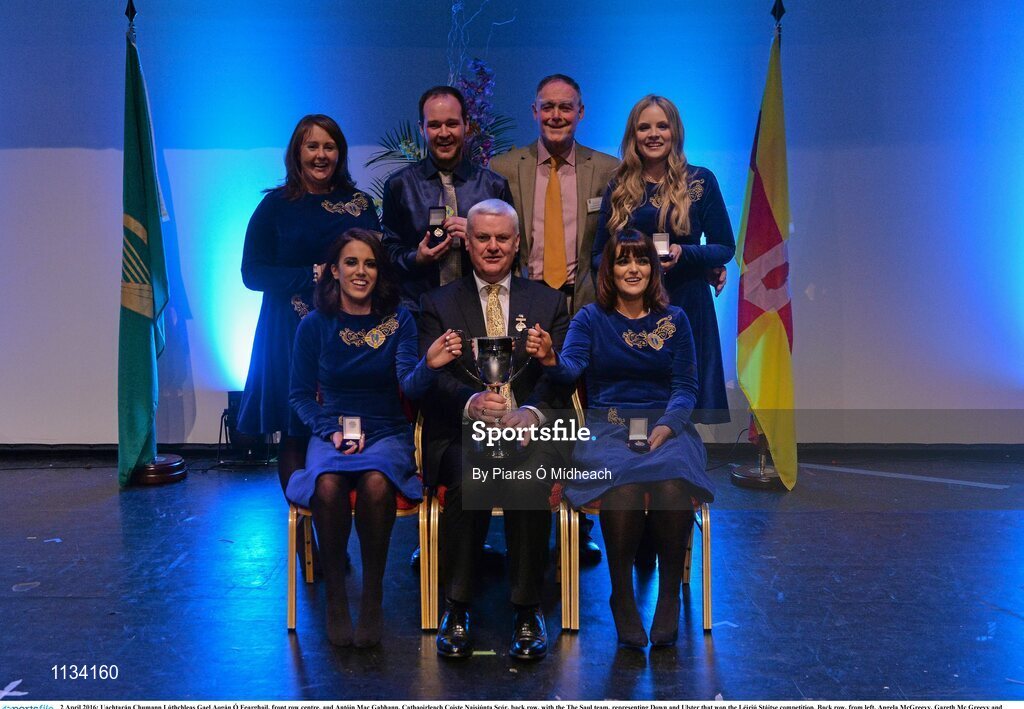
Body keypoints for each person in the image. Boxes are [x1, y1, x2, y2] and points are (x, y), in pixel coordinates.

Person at [526, 231, 715, 649]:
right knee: (623, 486)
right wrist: (550, 359)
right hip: (608, 425)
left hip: (668, 424)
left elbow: (686, 387)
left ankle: (667, 596)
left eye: (642, 260)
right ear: (608, 269)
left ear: (654, 268)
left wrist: (667, 426)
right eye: (623, 261)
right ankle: (623, 597)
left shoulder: (676, 320)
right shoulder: (590, 318)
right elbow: (570, 369)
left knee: (670, 483)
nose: (633, 269)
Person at [286, 229, 462, 648]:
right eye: (351, 262)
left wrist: (431, 364)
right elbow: (297, 395)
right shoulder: (314, 325)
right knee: (328, 486)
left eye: (369, 263)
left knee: (376, 483)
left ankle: (371, 599)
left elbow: (410, 386)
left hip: (386, 430)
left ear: (379, 271)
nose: (360, 272)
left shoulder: (398, 319)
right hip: (331, 431)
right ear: (334, 270)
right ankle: (335, 602)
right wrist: (329, 431)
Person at [418, 198, 571, 660]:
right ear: (467, 243)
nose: (492, 246)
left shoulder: (549, 300)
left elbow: (562, 380)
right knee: (470, 476)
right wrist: (469, 403)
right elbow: (431, 381)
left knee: (527, 471)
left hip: (527, 434)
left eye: (502, 237)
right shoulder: (438, 304)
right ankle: (458, 607)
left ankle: (527, 610)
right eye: (482, 237)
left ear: (518, 242)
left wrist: (534, 414)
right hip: (463, 434)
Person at [238, 114, 381, 502]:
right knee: (296, 431)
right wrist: (311, 275)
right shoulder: (275, 206)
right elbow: (251, 273)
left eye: (329, 146)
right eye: (312, 146)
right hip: (288, 330)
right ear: (297, 153)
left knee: (353, 423)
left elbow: (377, 262)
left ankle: (336, 539)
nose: (321, 155)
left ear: (340, 152)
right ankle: (306, 546)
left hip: (350, 331)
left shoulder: (360, 204)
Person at [592, 95, 735, 424]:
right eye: (644, 127)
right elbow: (597, 256)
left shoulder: (701, 180)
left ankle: (681, 467)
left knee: (683, 405)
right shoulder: (617, 186)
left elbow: (725, 246)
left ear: (675, 132)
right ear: (633, 135)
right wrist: (628, 267)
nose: (653, 134)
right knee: (639, 407)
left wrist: (687, 255)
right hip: (632, 310)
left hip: (686, 302)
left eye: (662, 125)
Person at [381, 86, 514, 313]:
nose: (444, 133)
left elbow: (514, 250)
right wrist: (417, 258)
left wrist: (477, 237)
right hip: (418, 310)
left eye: (452, 123)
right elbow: (387, 252)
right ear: (422, 129)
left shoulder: (494, 186)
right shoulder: (399, 186)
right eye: (434, 125)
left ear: (466, 126)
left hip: (480, 309)